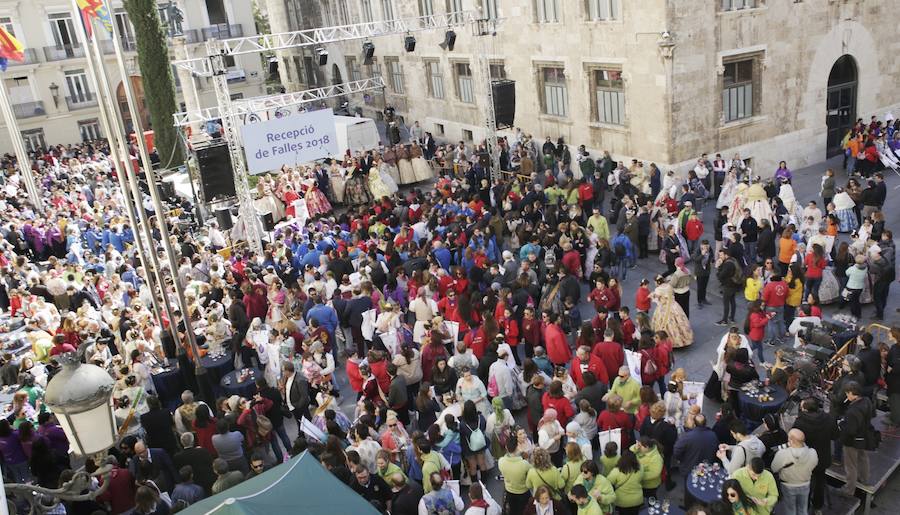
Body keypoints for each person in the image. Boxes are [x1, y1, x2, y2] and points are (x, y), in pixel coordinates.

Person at [840, 381, 875, 496]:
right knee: (863, 459)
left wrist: (841, 425)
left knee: (851, 466)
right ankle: (864, 480)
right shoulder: (867, 401)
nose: (846, 396)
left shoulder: (852, 411)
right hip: (864, 437)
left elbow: (851, 431)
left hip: (852, 442)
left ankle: (849, 490)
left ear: (851, 393)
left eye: (847, 394)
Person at [771, 429, 818, 515]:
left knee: (790, 510)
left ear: (791, 440)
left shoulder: (782, 454)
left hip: (787, 485)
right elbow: (814, 465)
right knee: (803, 509)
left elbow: (774, 468)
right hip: (805, 484)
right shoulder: (812, 453)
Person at [499, 437, 533, 515]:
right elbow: (531, 471)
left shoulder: (501, 461)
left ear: (506, 447)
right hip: (523, 492)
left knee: (513, 511)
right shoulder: (524, 464)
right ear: (517, 446)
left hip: (509, 491)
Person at [607, 448, 644, 515]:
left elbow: (608, 482)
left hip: (622, 502)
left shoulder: (617, 471)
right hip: (637, 500)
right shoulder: (640, 468)